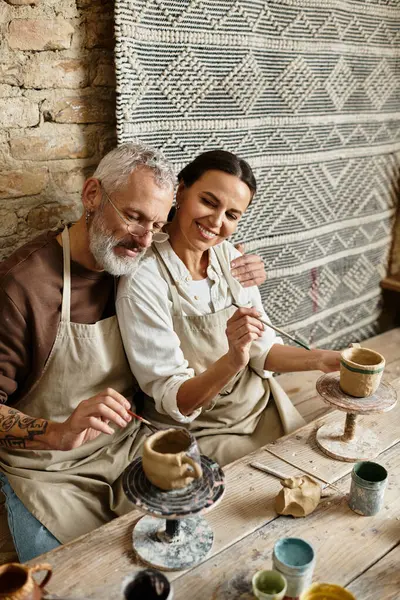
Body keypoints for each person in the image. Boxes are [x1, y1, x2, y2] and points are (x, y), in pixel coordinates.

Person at [0, 142, 267, 561]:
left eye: (157, 225)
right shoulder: (22, 287)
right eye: (133, 216)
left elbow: (206, 246)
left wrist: (246, 268)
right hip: (48, 469)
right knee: (73, 580)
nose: (144, 239)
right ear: (91, 195)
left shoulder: (133, 268)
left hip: (128, 447)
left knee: (191, 552)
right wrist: (56, 432)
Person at [117, 150, 341, 467]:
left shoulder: (232, 259)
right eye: (209, 202)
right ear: (180, 191)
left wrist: (322, 359)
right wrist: (234, 359)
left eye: (232, 215)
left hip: (261, 408)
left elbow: (262, 350)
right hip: (195, 433)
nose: (217, 221)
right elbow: (175, 399)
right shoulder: (144, 277)